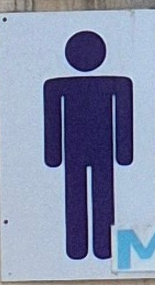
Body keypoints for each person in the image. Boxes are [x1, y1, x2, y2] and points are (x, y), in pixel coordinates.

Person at [43, 28, 133, 264]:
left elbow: (124, 117)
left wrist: (125, 154)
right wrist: (124, 153)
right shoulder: (57, 87)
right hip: (90, 151)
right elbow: (52, 120)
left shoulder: (116, 84)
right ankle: (82, 249)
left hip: (84, 152)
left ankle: (95, 248)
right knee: (85, 196)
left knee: (95, 196)